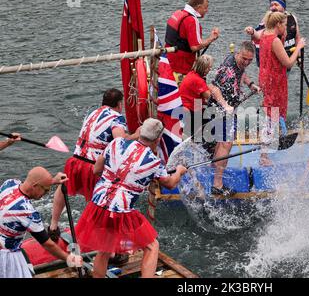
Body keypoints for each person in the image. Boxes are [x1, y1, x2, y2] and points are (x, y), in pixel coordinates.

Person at [74, 118, 187, 278]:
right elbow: (170, 183)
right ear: (158, 139)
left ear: (140, 131)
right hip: (120, 209)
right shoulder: (154, 162)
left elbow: (96, 170)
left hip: (97, 203)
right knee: (151, 246)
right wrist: (180, 171)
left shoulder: (116, 143)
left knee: (105, 249)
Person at [48, 88, 140, 243]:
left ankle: (53, 226)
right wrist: (136, 135)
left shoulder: (92, 113)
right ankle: (89, 235)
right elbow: (120, 141)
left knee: (63, 189)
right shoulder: (117, 118)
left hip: (75, 160)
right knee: (98, 201)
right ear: (119, 104)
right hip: (92, 166)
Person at [0, 167, 82, 278]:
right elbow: (48, 244)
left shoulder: (9, 184)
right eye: (46, 190)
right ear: (35, 186)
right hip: (7, 256)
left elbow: (31, 184)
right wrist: (69, 258)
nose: (46, 193)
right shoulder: (27, 213)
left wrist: (52, 181)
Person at [208, 41, 260, 196]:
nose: (246, 62)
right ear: (238, 53)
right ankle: (218, 184)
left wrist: (251, 84)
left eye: (250, 60)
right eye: (244, 59)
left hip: (228, 109)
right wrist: (225, 106)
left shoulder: (238, 62)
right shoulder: (228, 69)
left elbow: (242, 73)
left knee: (222, 143)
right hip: (221, 110)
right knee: (226, 144)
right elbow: (213, 87)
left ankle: (214, 167)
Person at [258, 11, 305, 166]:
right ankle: (264, 155)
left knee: (271, 114)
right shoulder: (274, 40)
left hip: (267, 78)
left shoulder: (264, 34)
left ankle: (271, 144)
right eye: (284, 24)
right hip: (274, 81)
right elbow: (288, 63)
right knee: (271, 116)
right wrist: (298, 47)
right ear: (278, 24)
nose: (286, 27)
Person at [165, 0, 220, 85]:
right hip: (182, 68)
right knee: (191, 95)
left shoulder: (178, 13)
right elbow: (195, 47)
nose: (207, 11)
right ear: (198, 7)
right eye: (205, 8)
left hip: (170, 62)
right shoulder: (191, 20)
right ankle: (196, 99)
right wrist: (212, 38)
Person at [178, 54, 233, 140]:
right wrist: (225, 104)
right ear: (204, 68)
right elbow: (211, 98)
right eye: (209, 68)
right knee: (214, 121)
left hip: (187, 108)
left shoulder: (191, 74)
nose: (209, 70)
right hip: (190, 112)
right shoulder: (198, 80)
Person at [245, 0, 301, 67]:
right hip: (271, 63)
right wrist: (252, 31)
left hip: (287, 58)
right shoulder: (268, 20)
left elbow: (297, 37)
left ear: (283, 7)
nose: (273, 7)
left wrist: (299, 57)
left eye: (276, 5)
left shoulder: (292, 18)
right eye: (271, 5)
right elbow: (260, 36)